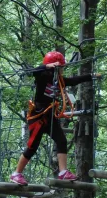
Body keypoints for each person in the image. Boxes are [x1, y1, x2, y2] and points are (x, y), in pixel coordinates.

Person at [10, 51, 100, 185]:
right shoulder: (42, 76)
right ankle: (16, 173)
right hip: (38, 116)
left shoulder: (60, 81)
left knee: (61, 141)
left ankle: (63, 172)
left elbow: (74, 80)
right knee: (32, 147)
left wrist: (91, 76)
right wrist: (48, 66)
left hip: (50, 117)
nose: (63, 69)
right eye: (61, 67)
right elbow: (31, 71)